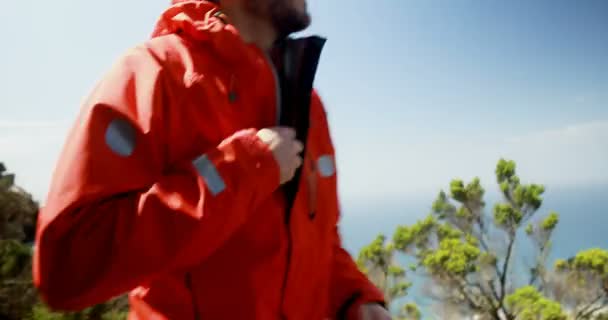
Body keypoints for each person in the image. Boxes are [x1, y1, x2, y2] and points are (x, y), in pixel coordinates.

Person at [33, 0, 391, 319]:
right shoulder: (155, 71)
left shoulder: (309, 103)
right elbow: (66, 266)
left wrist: (356, 299)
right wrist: (246, 166)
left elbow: (320, 241)